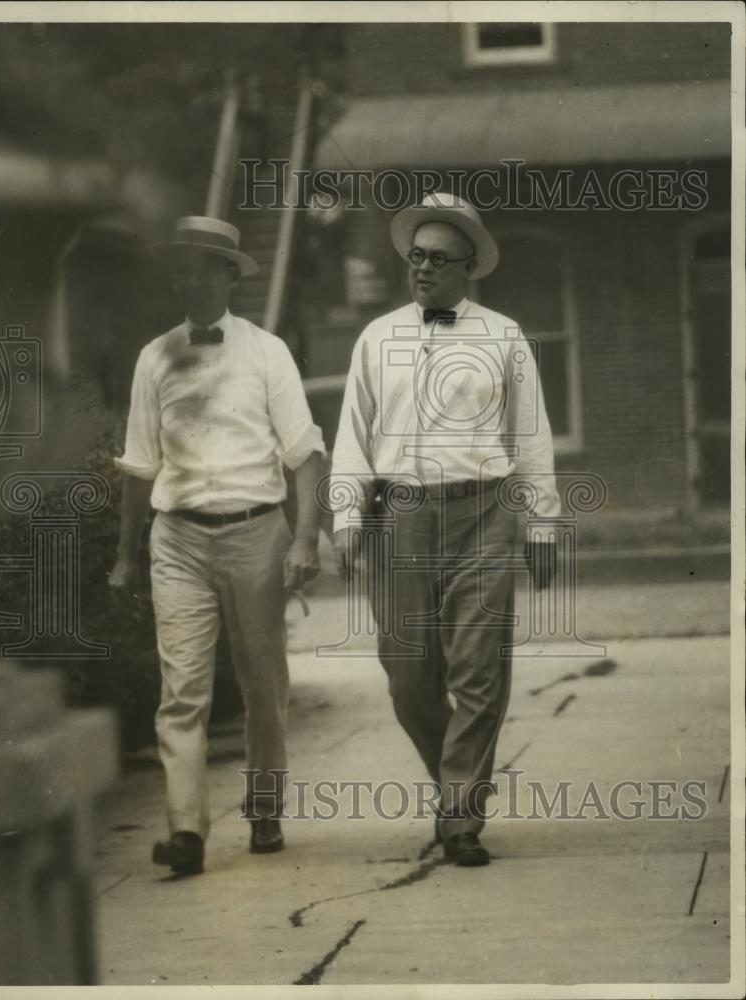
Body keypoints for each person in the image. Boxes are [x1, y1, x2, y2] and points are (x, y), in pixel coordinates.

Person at [331, 192, 560, 867]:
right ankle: (451, 784)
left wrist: (541, 524)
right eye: (415, 258)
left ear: (468, 268)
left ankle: (460, 818)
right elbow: (351, 432)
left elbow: (531, 436)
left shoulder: (503, 337)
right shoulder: (376, 338)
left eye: (437, 260)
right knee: (406, 677)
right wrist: (346, 514)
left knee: (477, 672)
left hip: (483, 514)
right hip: (398, 516)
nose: (422, 269)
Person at [108, 215, 326, 874]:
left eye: (204, 265)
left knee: (262, 684)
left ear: (230, 275)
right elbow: (139, 467)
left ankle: (264, 810)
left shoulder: (267, 352)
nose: (189, 277)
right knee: (182, 691)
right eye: (181, 265)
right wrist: (125, 553)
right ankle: (186, 832)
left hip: (257, 534)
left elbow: (304, 454)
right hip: (176, 539)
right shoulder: (154, 357)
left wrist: (305, 539)